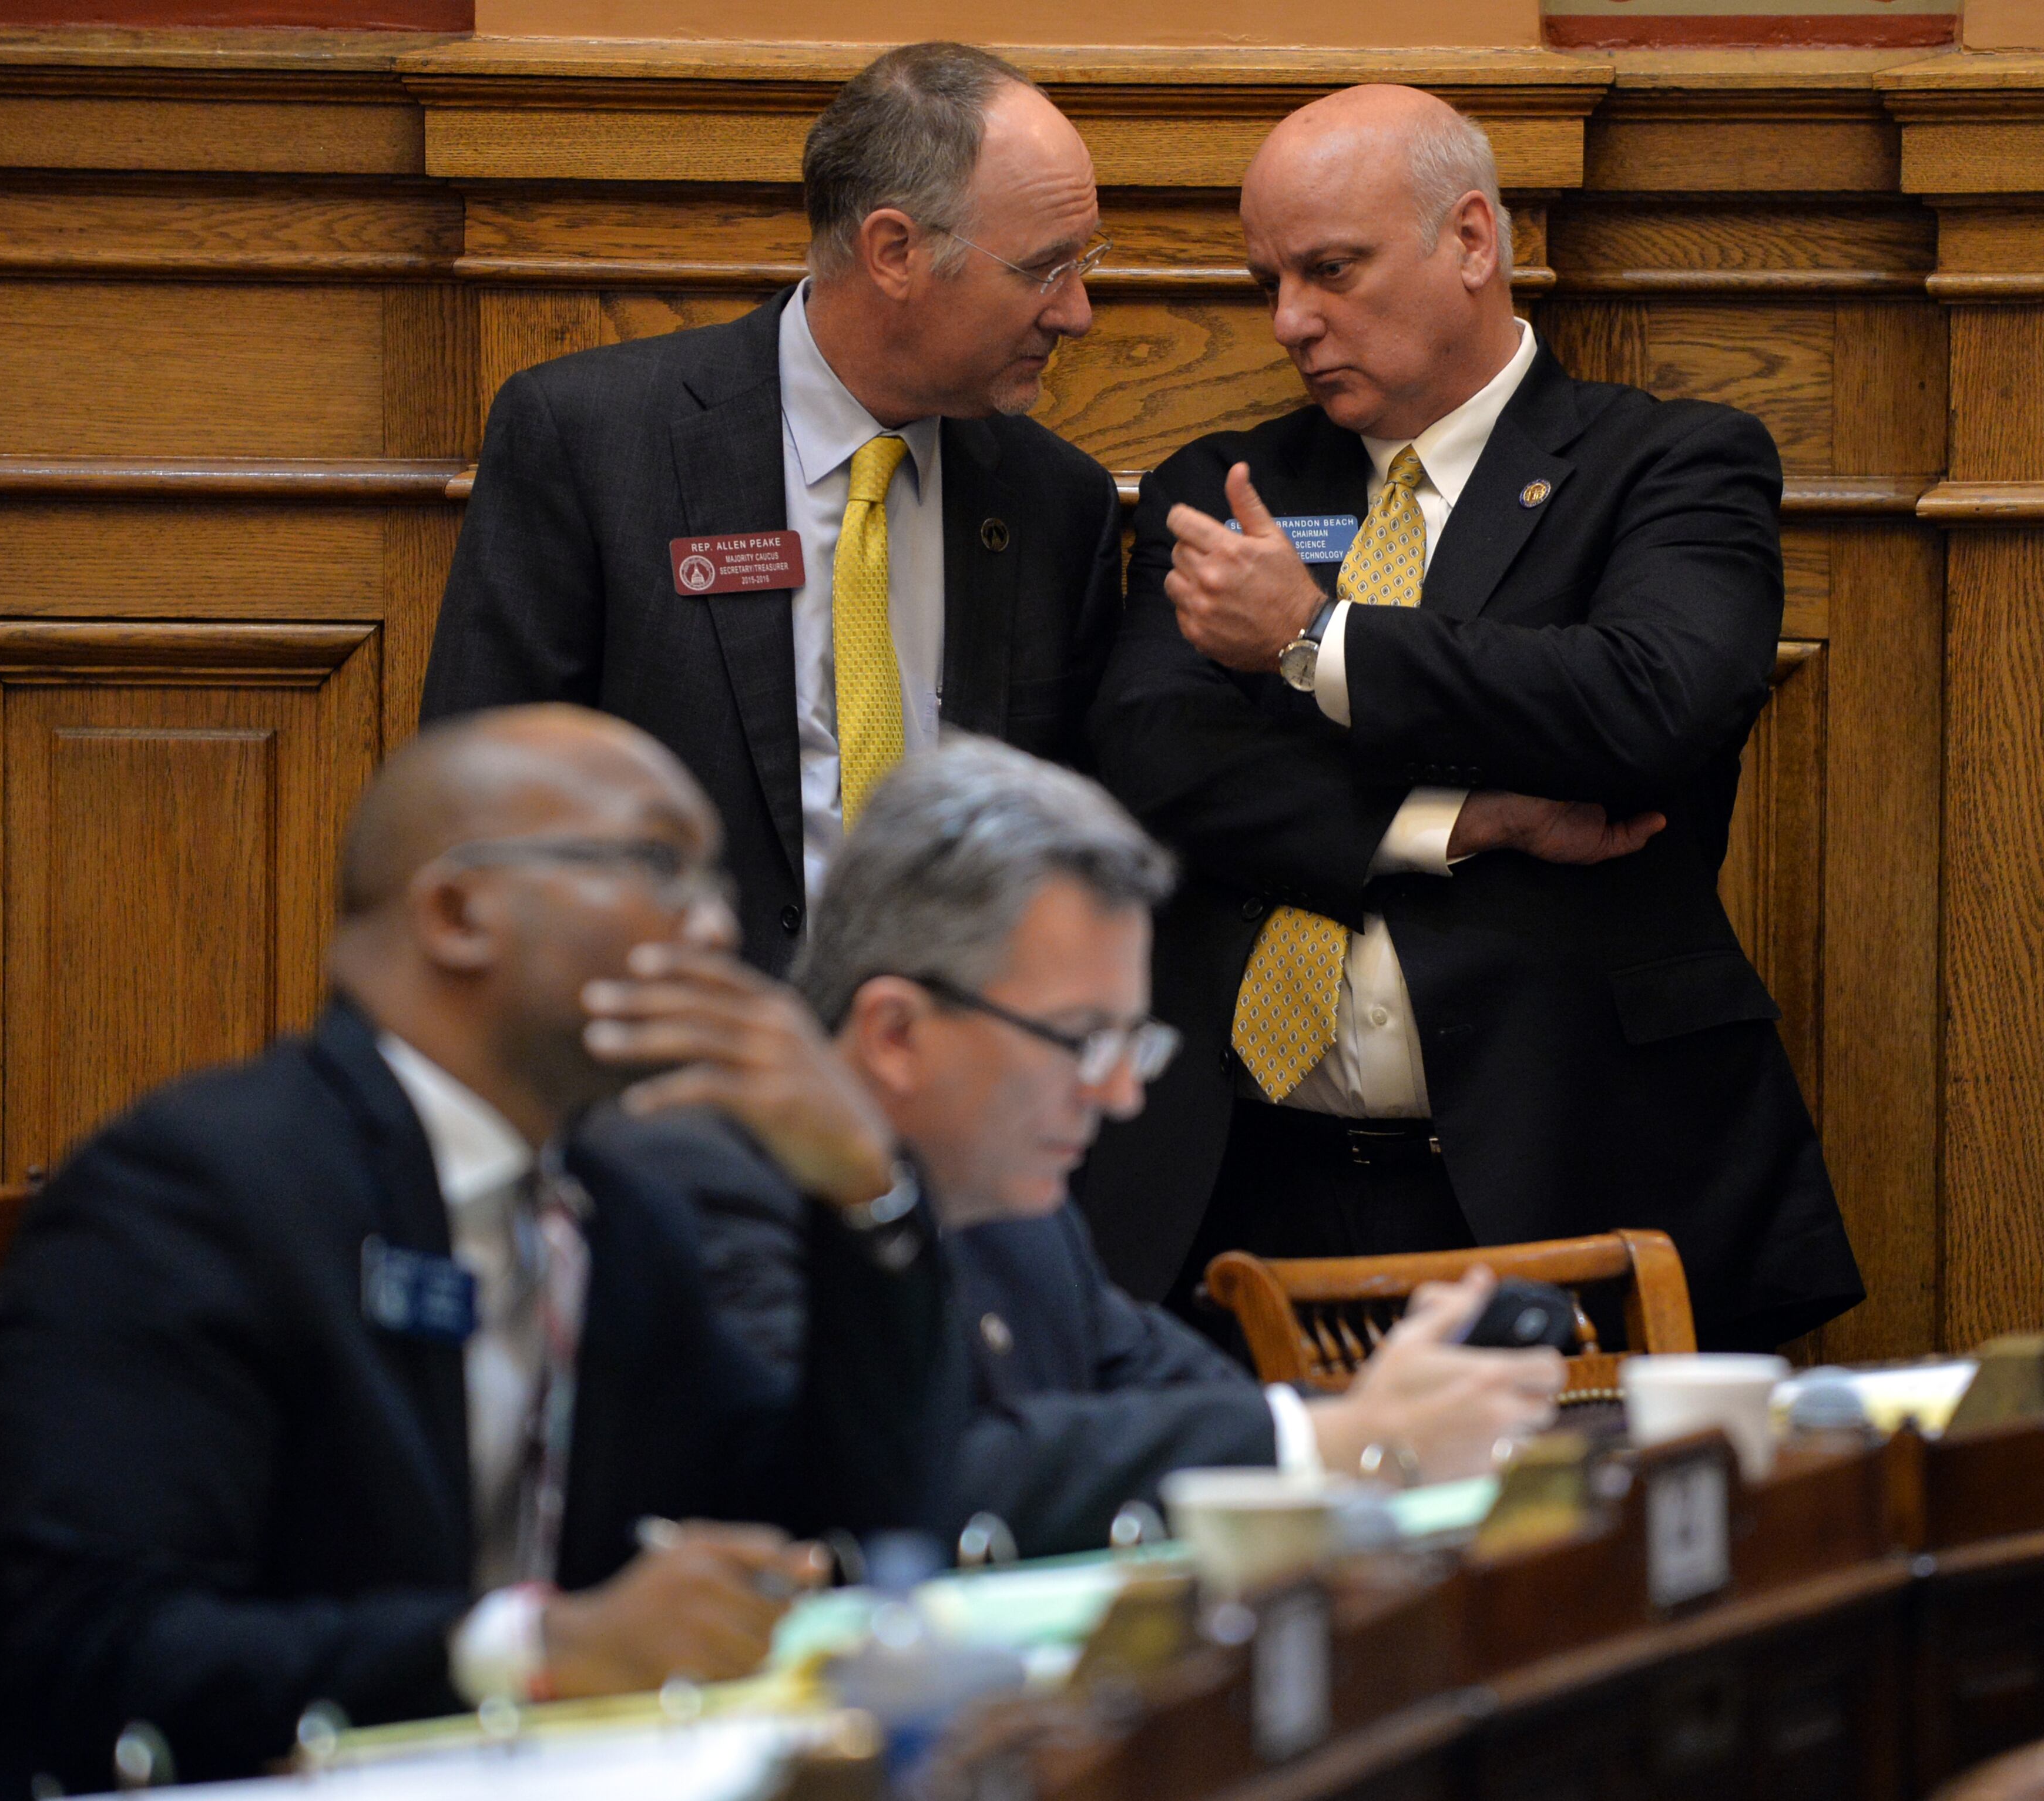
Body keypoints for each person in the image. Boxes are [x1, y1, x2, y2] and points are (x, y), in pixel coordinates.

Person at [0, 706, 958, 1796]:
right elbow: (96, 1652)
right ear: (458, 911)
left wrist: (867, 1192)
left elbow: (854, 1526)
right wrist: (531, 1649)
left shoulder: (619, 1218)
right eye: (660, 864)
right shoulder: (192, 1191)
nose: (714, 934)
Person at [1080, 84, 1862, 1351]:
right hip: (1245, 1187)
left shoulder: (1667, 464)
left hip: (1567, 1167)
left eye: (1332, 269)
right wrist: (1449, 820)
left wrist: (1314, 643)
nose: (1290, 322)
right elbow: (1156, 758)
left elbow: (1651, 702)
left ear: (1473, 241)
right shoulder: (1228, 489)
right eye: (1270, 280)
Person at [596, 737, 1565, 1558]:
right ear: (896, 1031)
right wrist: (1339, 1439)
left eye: (1131, 1040)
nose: (1122, 1092)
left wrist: (1397, 1400)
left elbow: (1187, 1408)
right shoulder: (703, 1177)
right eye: (1081, 1040)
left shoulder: (1023, 1211)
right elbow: (891, 1493)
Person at [421, 42, 1120, 975]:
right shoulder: (593, 442)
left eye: (1083, 263)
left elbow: (1066, 848)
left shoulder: (1055, 502)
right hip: (663, 1077)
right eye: (1042, 269)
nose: (1076, 312)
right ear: (894, 252)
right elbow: (480, 805)